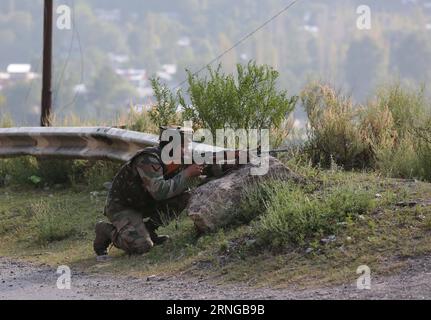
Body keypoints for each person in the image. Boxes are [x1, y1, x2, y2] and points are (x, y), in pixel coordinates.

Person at [93, 126, 203, 256]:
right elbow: (159, 192)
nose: (186, 150)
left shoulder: (179, 157)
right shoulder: (148, 159)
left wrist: (229, 160)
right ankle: (106, 231)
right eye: (183, 146)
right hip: (122, 206)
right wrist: (186, 174)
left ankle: (149, 230)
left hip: (145, 202)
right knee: (142, 246)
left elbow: (208, 167)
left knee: (184, 196)